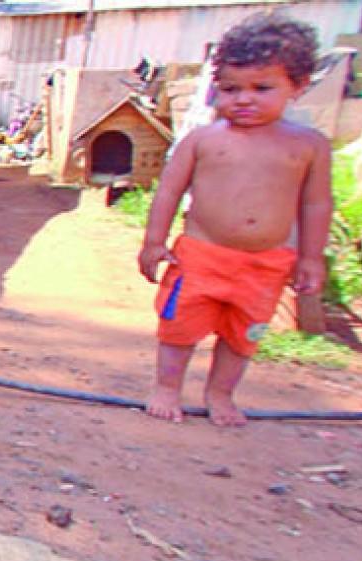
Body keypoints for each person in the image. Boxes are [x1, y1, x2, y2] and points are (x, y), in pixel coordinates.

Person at [137, 15, 331, 427]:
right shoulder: (203, 140)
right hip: (200, 259)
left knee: (244, 336)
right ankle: (167, 387)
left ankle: (221, 393)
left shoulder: (308, 146)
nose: (243, 99)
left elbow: (315, 204)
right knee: (178, 327)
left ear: (297, 86)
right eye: (230, 89)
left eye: (262, 88)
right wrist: (154, 242)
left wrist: (311, 257)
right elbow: (168, 191)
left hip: (265, 266)